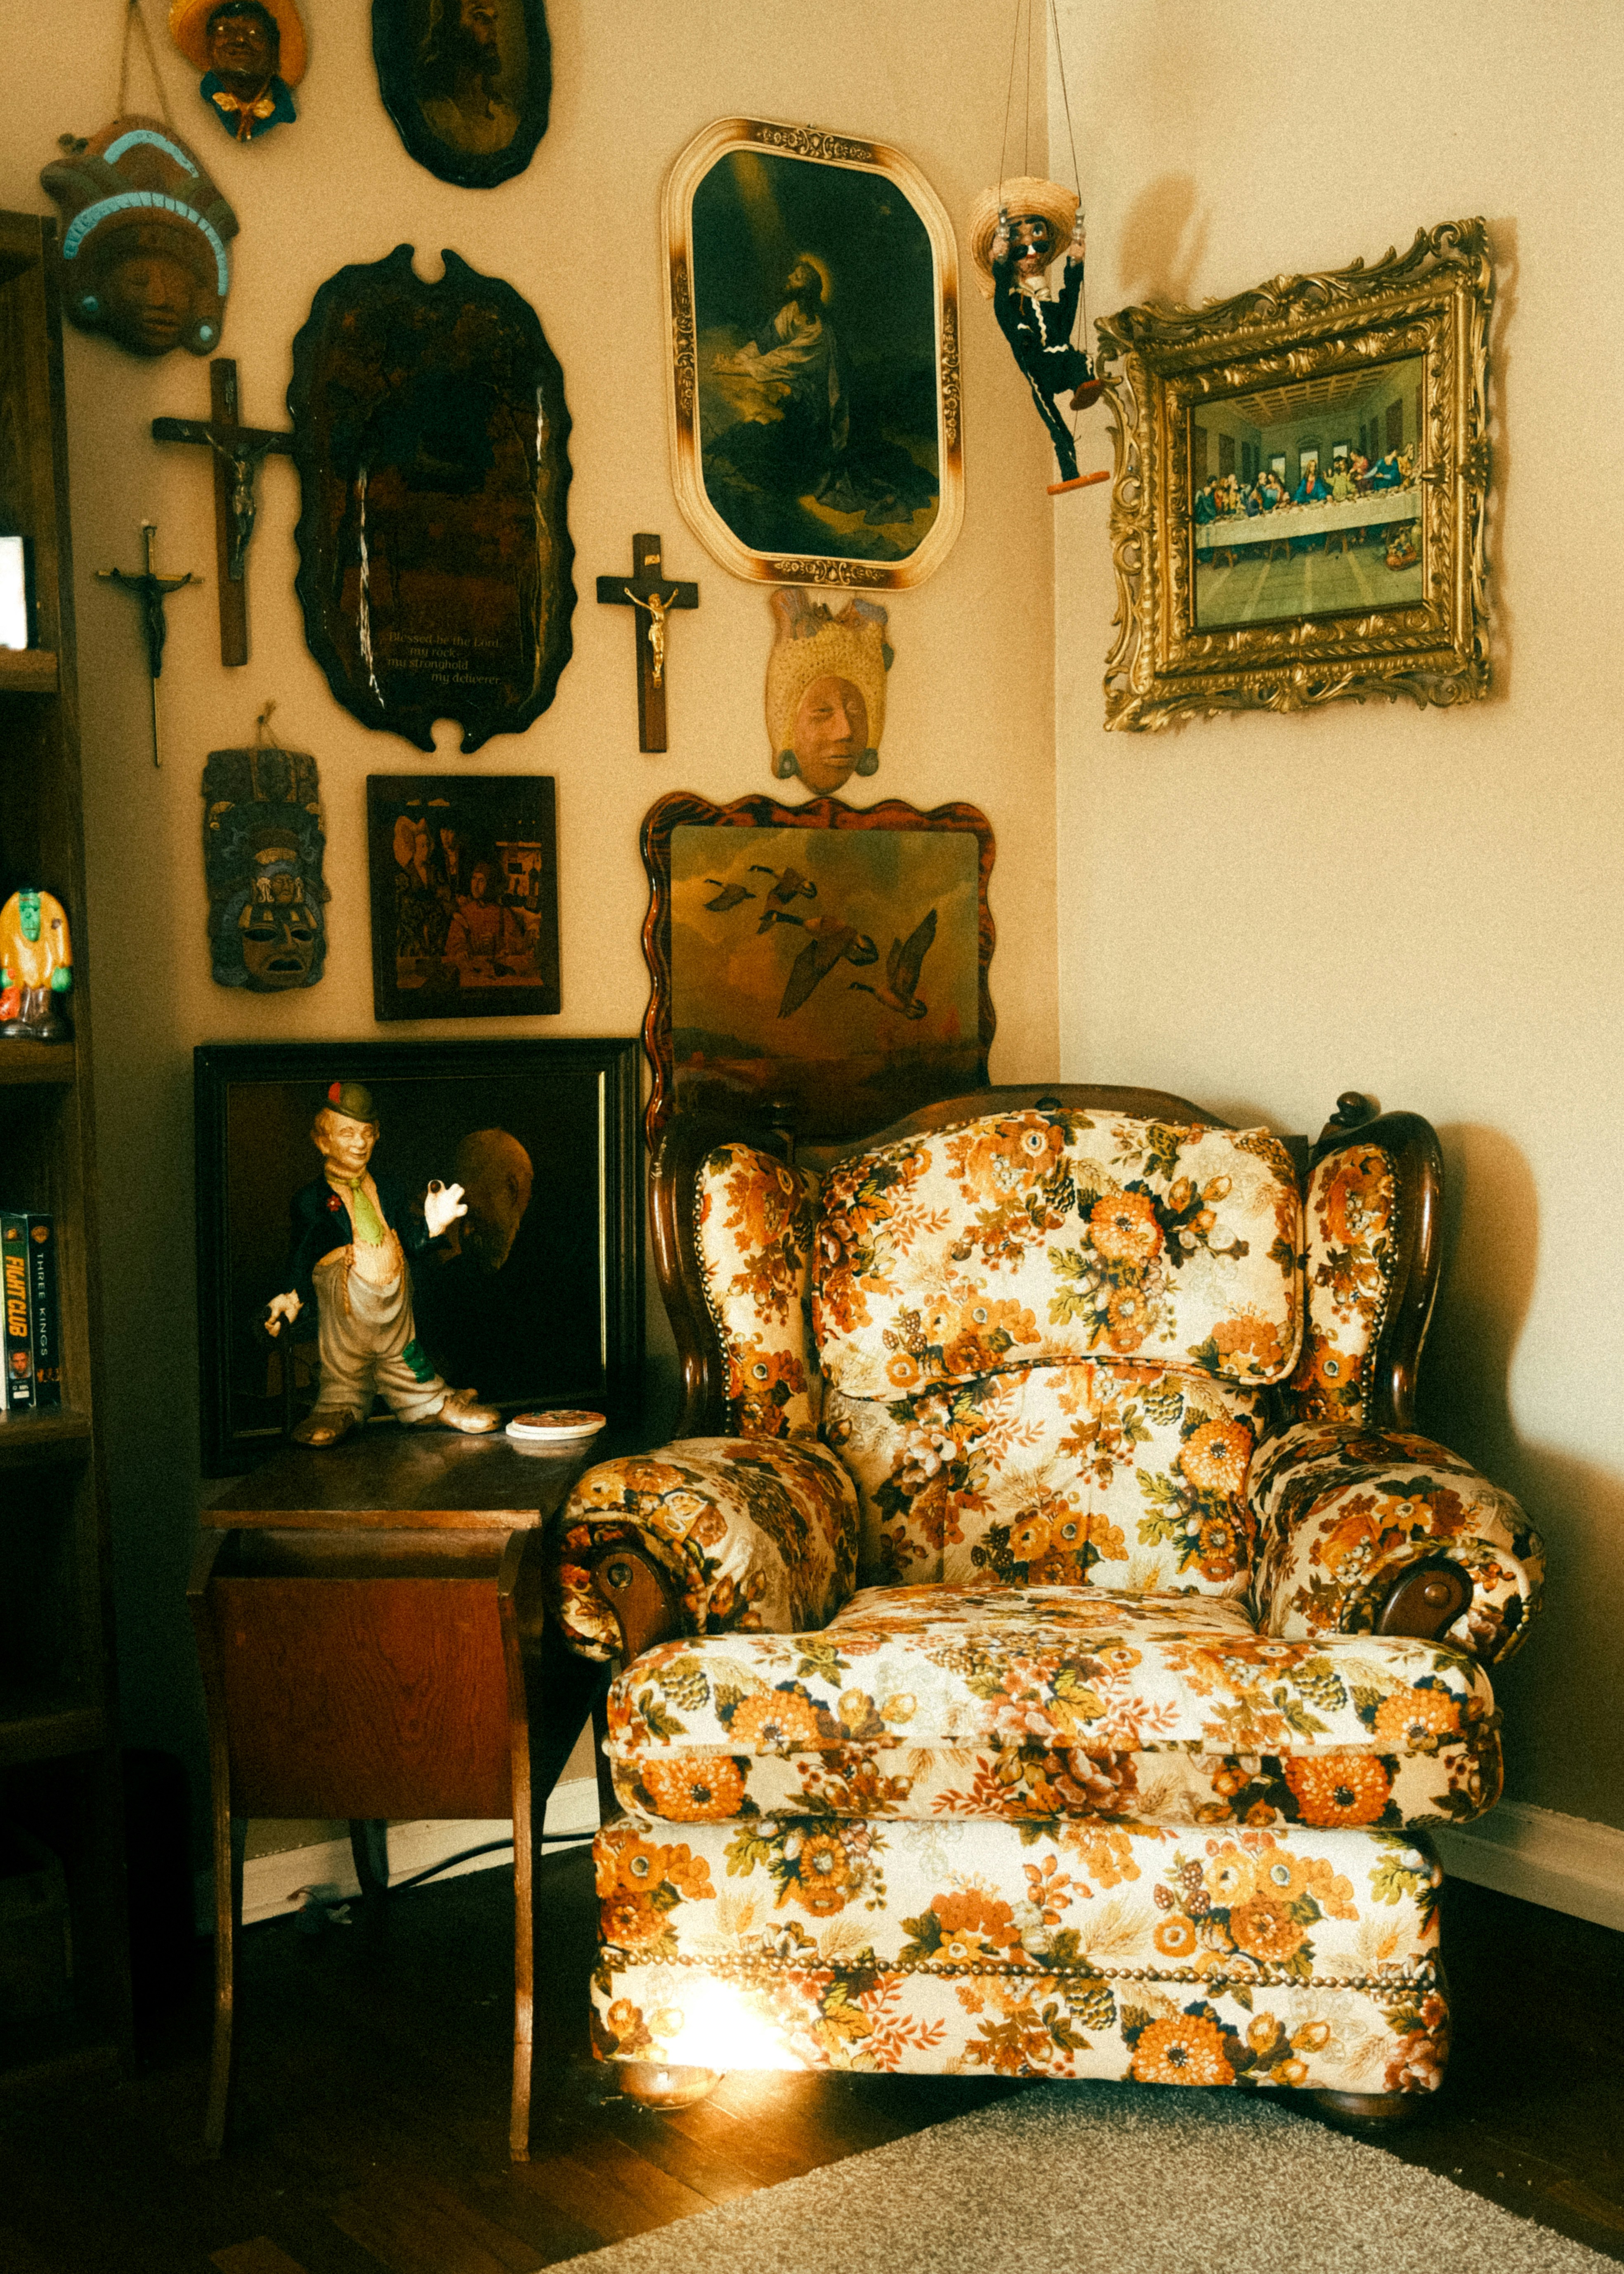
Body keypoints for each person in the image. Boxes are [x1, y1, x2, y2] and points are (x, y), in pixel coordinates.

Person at [262, 1081, 499, 1448]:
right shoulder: (311, 1200)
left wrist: (434, 1225)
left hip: (396, 1315)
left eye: (367, 1133)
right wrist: (292, 1297)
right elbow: (304, 1253)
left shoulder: (388, 1188)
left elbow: (411, 1242)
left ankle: (433, 1404)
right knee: (345, 1372)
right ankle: (338, 1408)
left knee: (409, 1363)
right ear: (323, 1141)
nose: (359, 1143)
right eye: (347, 1133)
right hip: (346, 1320)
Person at [986, 197, 1097, 483]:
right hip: (1039, 369)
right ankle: (1070, 472)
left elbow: (1070, 306)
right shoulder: (1011, 303)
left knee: (1082, 360)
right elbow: (1003, 299)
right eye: (1021, 248)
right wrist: (1000, 263)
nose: (1032, 252)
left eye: (1039, 241)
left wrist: (1075, 264)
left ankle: (1082, 384)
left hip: (1061, 360)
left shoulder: (1049, 306)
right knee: (1057, 427)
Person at [418, 0, 519, 153]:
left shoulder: (505, 117)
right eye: (479, 16)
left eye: (494, 19)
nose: (493, 32)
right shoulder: (433, 115)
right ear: (450, 28)